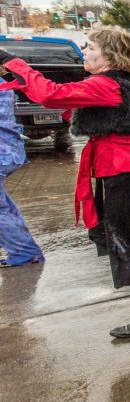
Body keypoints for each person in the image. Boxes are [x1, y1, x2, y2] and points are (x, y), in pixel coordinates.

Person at [0, 29, 130, 338]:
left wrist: (17, 64)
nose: (84, 51)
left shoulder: (108, 82)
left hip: (129, 170)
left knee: (126, 241)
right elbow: (66, 102)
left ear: (109, 56)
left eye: (90, 47)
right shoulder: (123, 82)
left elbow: (53, 95)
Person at [0, 87, 44, 268]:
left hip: (3, 151)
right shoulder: (4, 85)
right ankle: (25, 251)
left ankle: (24, 253)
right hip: (9, 150)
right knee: (3, 204)